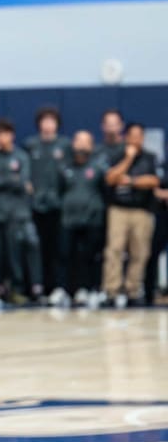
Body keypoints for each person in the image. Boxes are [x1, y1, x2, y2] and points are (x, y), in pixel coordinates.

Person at [0, 119, 43, 302]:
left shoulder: (21, 156)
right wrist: (9, 180)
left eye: (5, 133)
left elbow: (22, 182)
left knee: (17, 253)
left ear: (12, 135)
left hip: (17, 214)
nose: (2, 138)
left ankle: (19, 288)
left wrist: (0, 181)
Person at [101, 123, 159, 308]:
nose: (135, 139)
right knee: (114, 250)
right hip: (118, 209)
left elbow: (153, 181)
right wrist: (127, 159)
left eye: (139, 136)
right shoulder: (116, 155)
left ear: (143, 138)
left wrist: (131, 181)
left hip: (142, 210)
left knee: (139, 253)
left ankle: (133, 291)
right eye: (132, 135)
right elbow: (111, 178)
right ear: (126, 137)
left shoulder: (150, 157)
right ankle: (112, 291)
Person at [23, 106, 70, 305]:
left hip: (58, 206)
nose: (48, 125)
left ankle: (59, 287)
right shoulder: (31, 145)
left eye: (52, 121)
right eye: (45, 120)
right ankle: (38, 286)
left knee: (58, 248)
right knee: (36, 248)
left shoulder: (65, 145)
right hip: (35, 206)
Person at [60, 131, 104, 307]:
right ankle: (67, 290)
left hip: (92, 220)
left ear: (92, 146)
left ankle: (91, 289)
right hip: (69, 219)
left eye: (86, 142)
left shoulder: (98, 167)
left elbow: (104, 190)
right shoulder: (65, 167)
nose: (81, 146)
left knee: (90, 256)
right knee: (66, 256)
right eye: (78, 141)